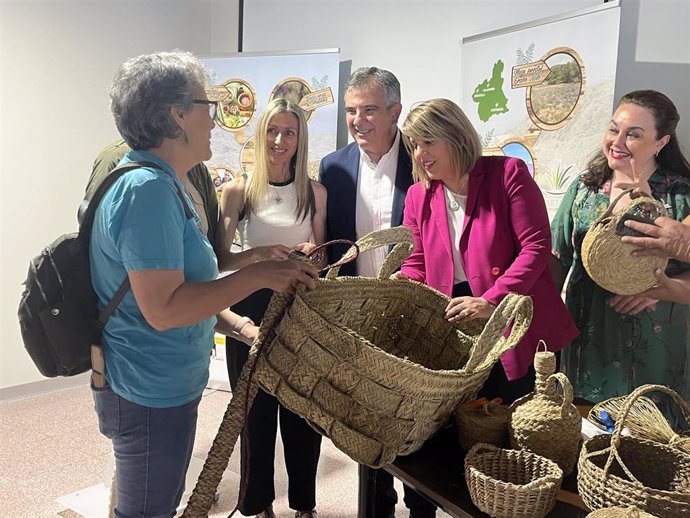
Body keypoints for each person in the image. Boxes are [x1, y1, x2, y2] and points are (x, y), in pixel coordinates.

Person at [89, 51, 318, 518]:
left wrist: (239, 325)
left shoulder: (166, 183)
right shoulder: (146, 191)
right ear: (176, 115)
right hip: (148, 390)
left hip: (164, 384)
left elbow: (189, 287)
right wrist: (256, 274)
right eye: (205, 106)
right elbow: (165, 309)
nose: (214, 120)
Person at [393, 98, 578, 404]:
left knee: (515, 420)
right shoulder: (416, 195)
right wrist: (405, 279)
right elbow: (418, 260)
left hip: (516, 315)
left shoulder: (508, 174)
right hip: (458, 318)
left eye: (428, 142)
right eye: (414, 144)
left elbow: (536, 247)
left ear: (455, 135)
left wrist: (493, 301)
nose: (419, 154)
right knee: (468, 421)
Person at [319, 67, 436, 518]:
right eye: (351, 110)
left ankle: (422, 509)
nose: (358, 120)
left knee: (417, 423)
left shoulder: (424, 160)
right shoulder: (333, 167)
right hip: (359, 322)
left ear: (395, 111)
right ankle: (376, 508)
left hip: (415, 317)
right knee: (368, 423)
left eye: (369, 109)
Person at [218, 97, 327, 518]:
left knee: (303, 411)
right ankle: (257, 504)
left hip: (298, 309)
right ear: (260, 133)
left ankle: (305, 504)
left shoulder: (314, 192)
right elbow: (220, 260)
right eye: (272, 130)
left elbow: (322, 259)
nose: (280, 140)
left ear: (300, 139)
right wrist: (258, 253)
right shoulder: (238, 191)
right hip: (249, 305)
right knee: (253, 412)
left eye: (289, 132)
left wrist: (309, 254)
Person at [551, 89, 690, 408]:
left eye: (633, 135)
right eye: (614, 129)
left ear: (661, 142)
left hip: (653, 351)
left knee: (644, 443)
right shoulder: (585, 188)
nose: (617, 141)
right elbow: (557, 258)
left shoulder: (680, 197)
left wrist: (658, 289)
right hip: (585, 338)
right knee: (582, 436)